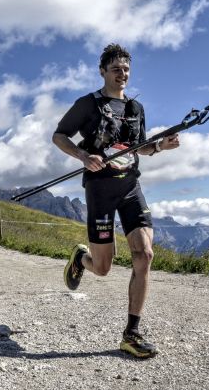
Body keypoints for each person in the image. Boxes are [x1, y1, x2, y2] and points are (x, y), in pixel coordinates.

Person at [52, 43, 180, 358]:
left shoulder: (136, 110)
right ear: (103, 72)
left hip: (130, 187)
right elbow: (59, 135)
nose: (122, 75)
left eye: (126, 70)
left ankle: (131, 334)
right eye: (115, 69)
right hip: (99, 189)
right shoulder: (87, 104)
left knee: (145, 254)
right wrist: (82, 155)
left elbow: (140, 148)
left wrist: (160, 146)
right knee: (104, 267)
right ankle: (81, 259)